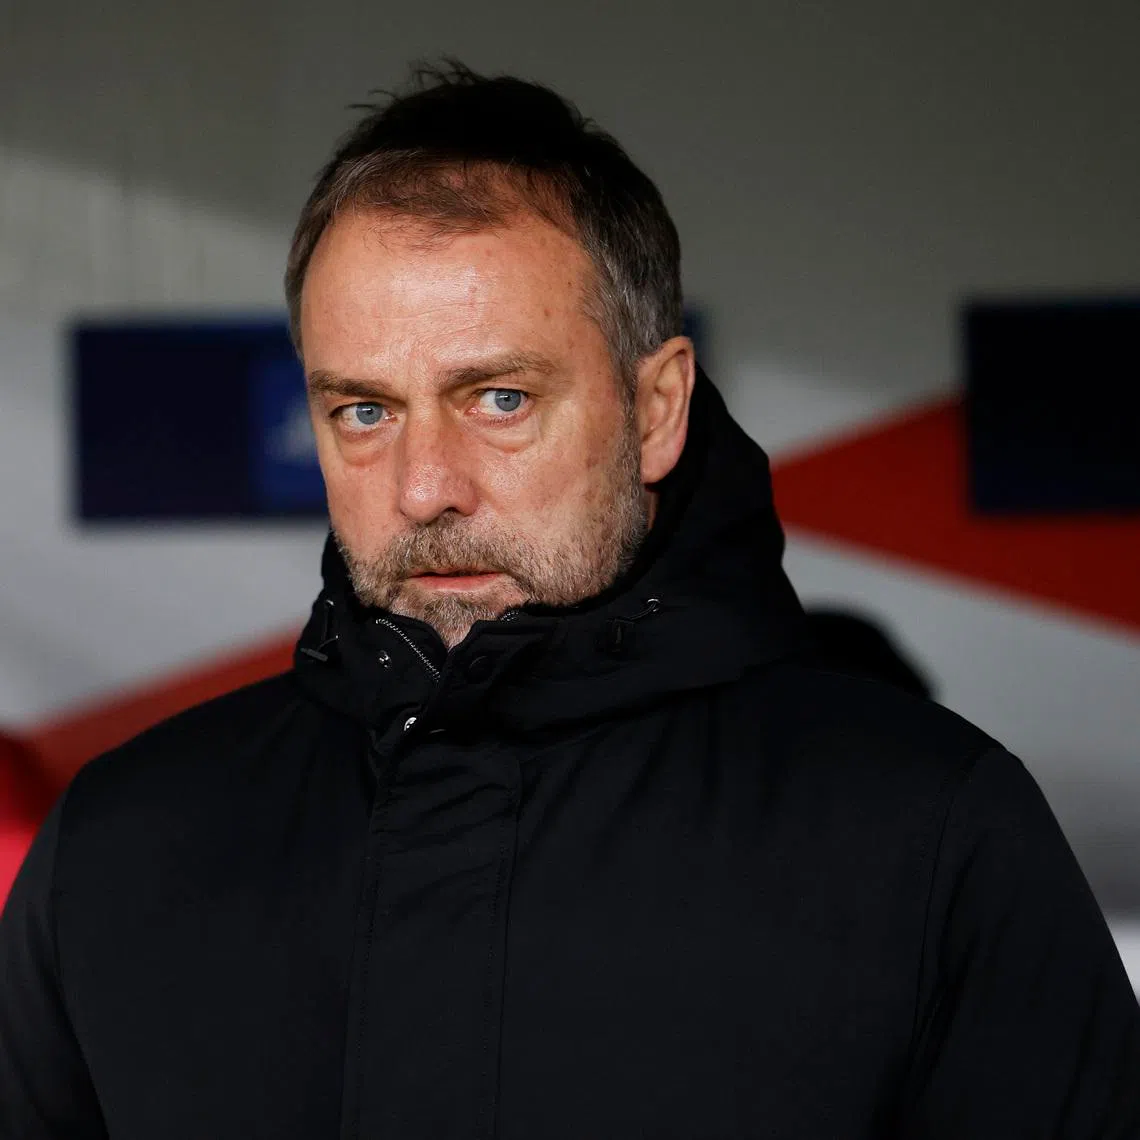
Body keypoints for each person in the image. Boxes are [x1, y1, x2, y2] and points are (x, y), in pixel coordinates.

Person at [2, 63, 1137, 1140]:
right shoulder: (119, 846)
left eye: (498, 397)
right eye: (364, 411)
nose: (425, 488)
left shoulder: (931, 830)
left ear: (657, 409)